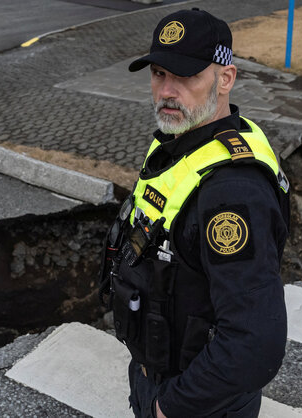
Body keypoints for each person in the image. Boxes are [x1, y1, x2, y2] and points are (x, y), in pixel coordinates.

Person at [98, 8, 291, 418]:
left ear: (225, 79)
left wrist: (169, 408)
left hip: (199, 402)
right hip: (158, 373)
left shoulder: (231, 192)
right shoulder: (181, 143)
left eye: (185, 77)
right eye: (158, 74)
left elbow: (256, 343)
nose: (167, 91)